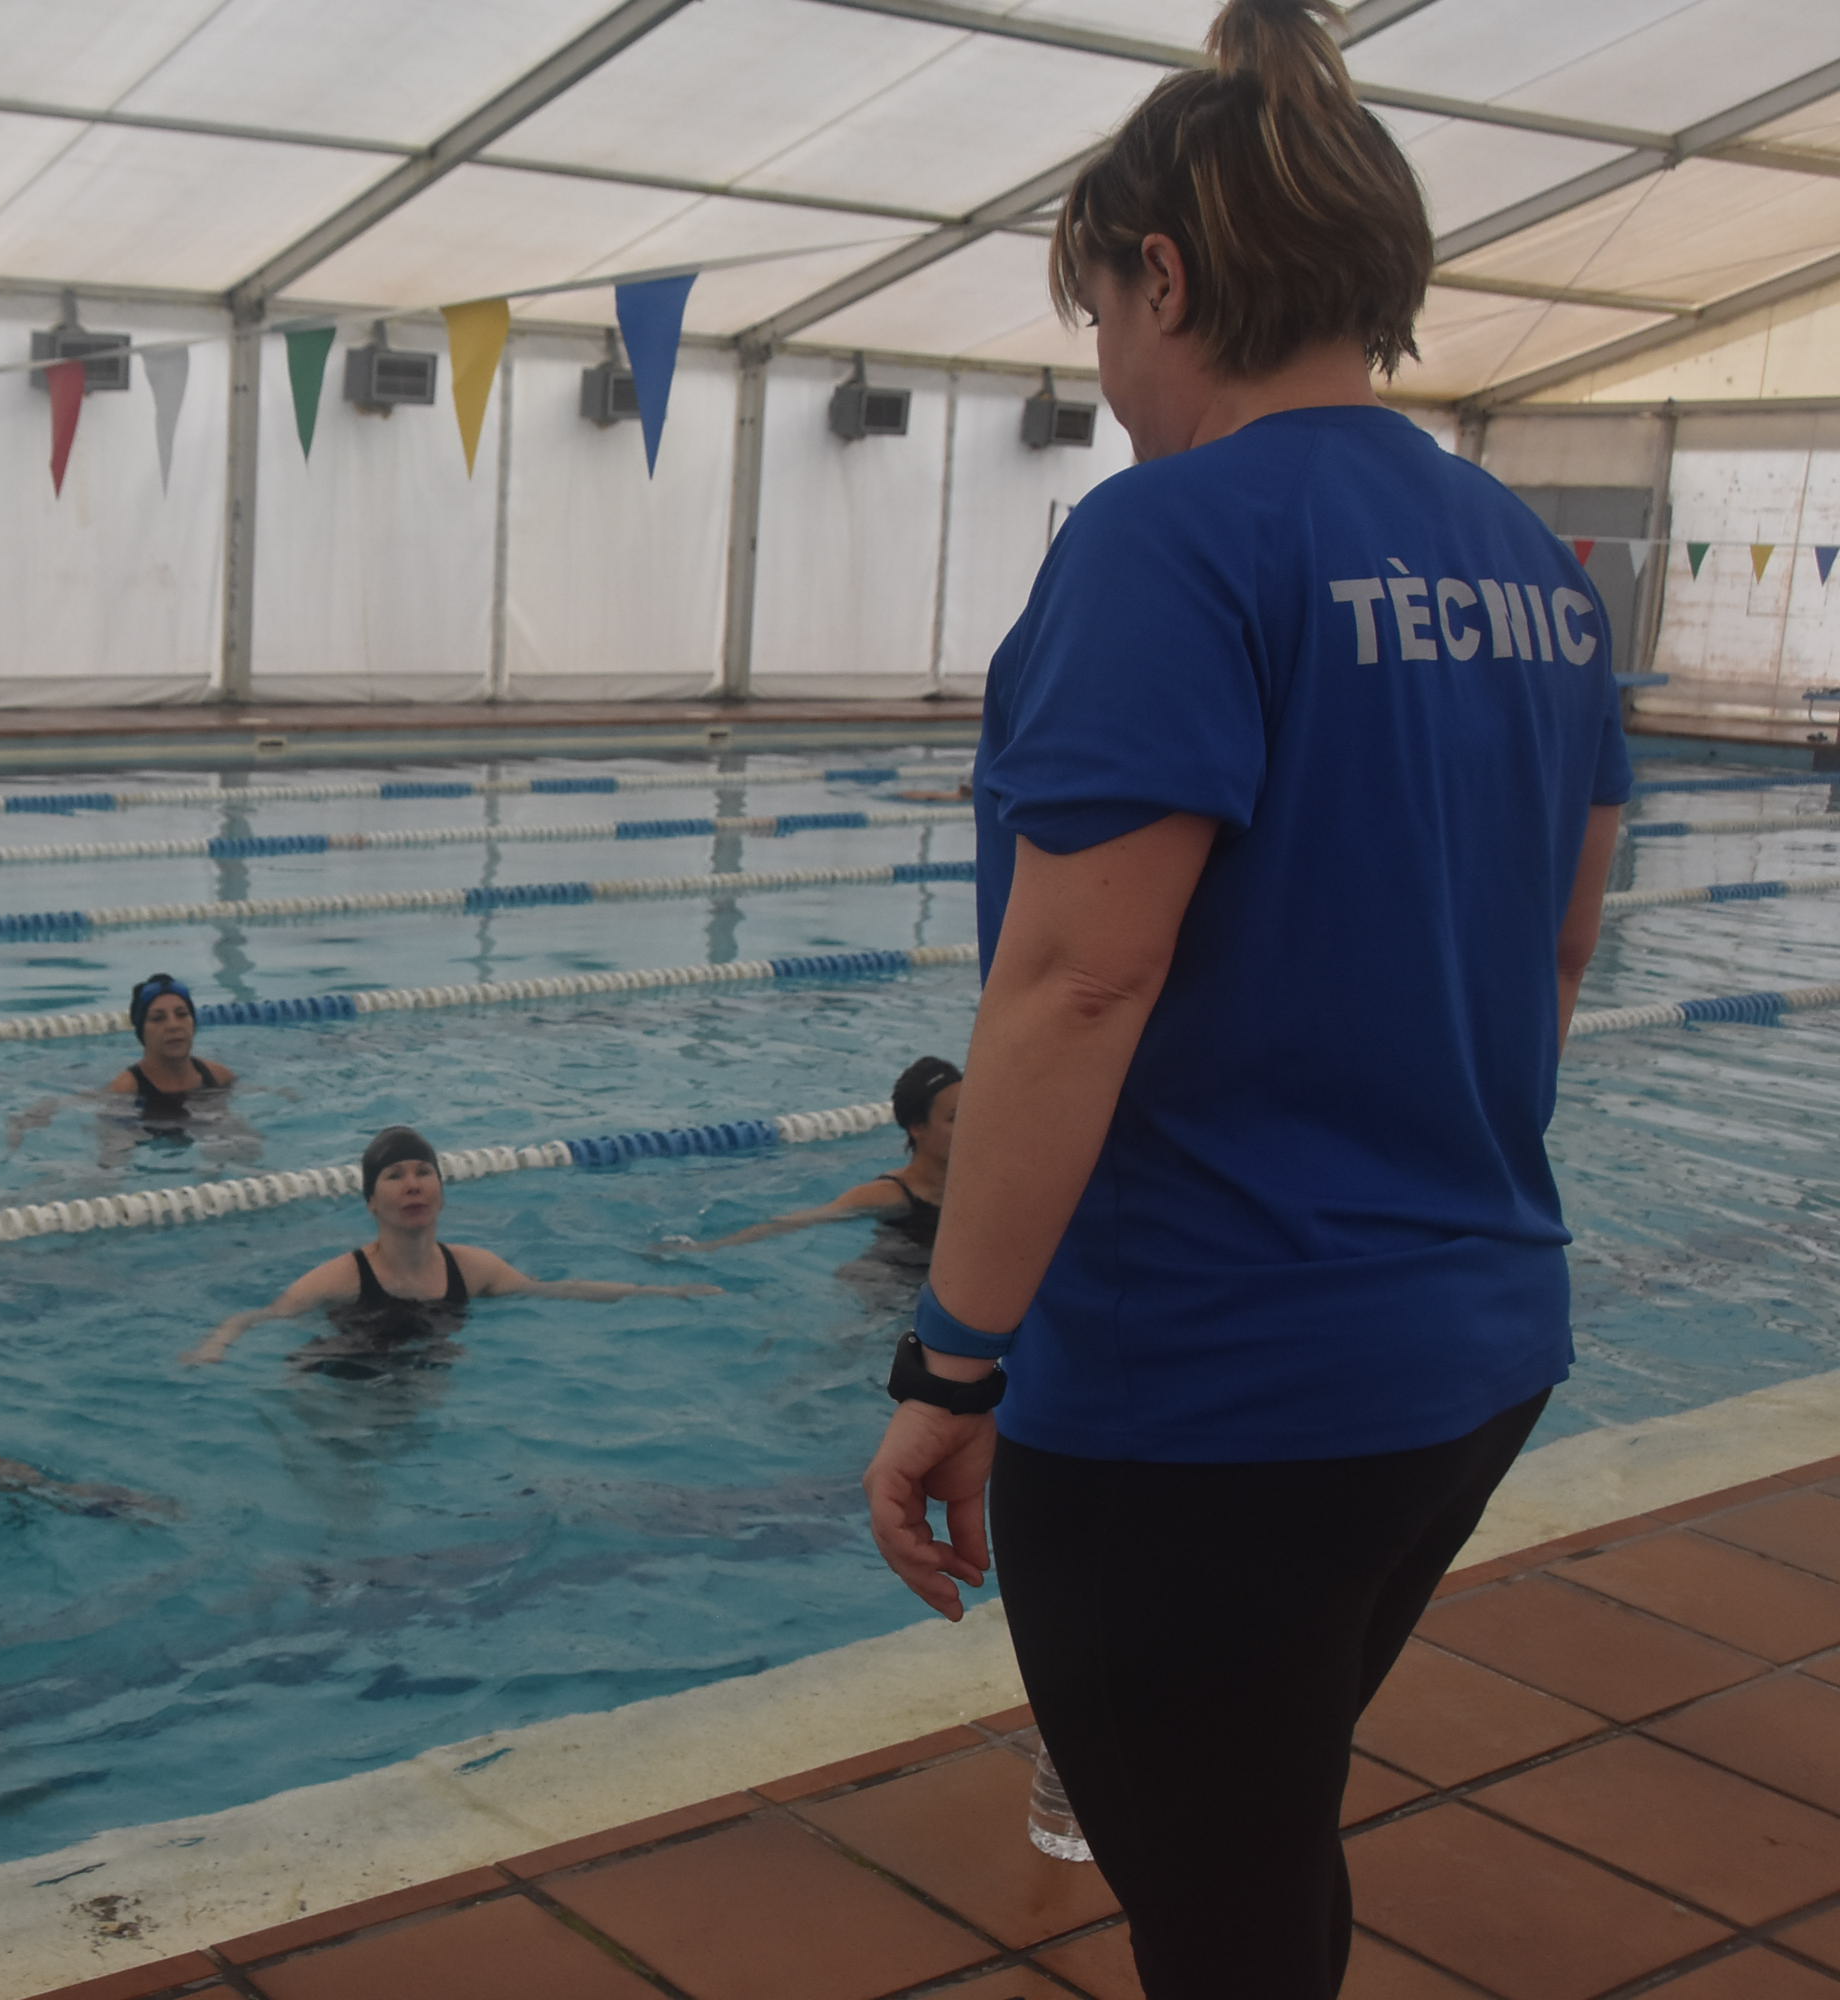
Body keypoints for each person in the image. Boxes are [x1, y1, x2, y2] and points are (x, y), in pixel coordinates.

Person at [857, 6, 1630, 1994]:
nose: (1102, 380)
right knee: (1254, 1834)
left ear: (1165, 278)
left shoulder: (1168, 539)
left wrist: (951, 1365)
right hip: (1468, 1344)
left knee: (1214, 1904)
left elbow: (1072, 981)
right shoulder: (1532, 567)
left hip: (1210, 1387)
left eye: (1096, 319)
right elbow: (1551, 955)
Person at [187, 1126, 719, 1367]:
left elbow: (558, 1290)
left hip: (422, 1366)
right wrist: (216, 1346)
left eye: (424, 1172)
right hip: (340, 1371)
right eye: (395, 1176)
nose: (413, 1184)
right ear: (371, 1202)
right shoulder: (342, 1278)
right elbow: (258, 1318)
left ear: (442, 1190)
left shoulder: (473, 1267)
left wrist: (659, 1293)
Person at [658, 1057, 958, 1259]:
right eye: (955, 1118)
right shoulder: (891, 1194)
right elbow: (794, 1221)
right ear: (917, 1127)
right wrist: (705, 1248)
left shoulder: (976, 1184)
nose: (973, 1125)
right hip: (888, 1286)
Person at [106, 973, 238, 1132]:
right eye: (158, 1018)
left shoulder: (219, 1076)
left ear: (193, 1024)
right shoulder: (126, 1090)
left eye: (182, 1014)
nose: (173, 1025)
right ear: (142, 1032)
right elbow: (113, 1147)